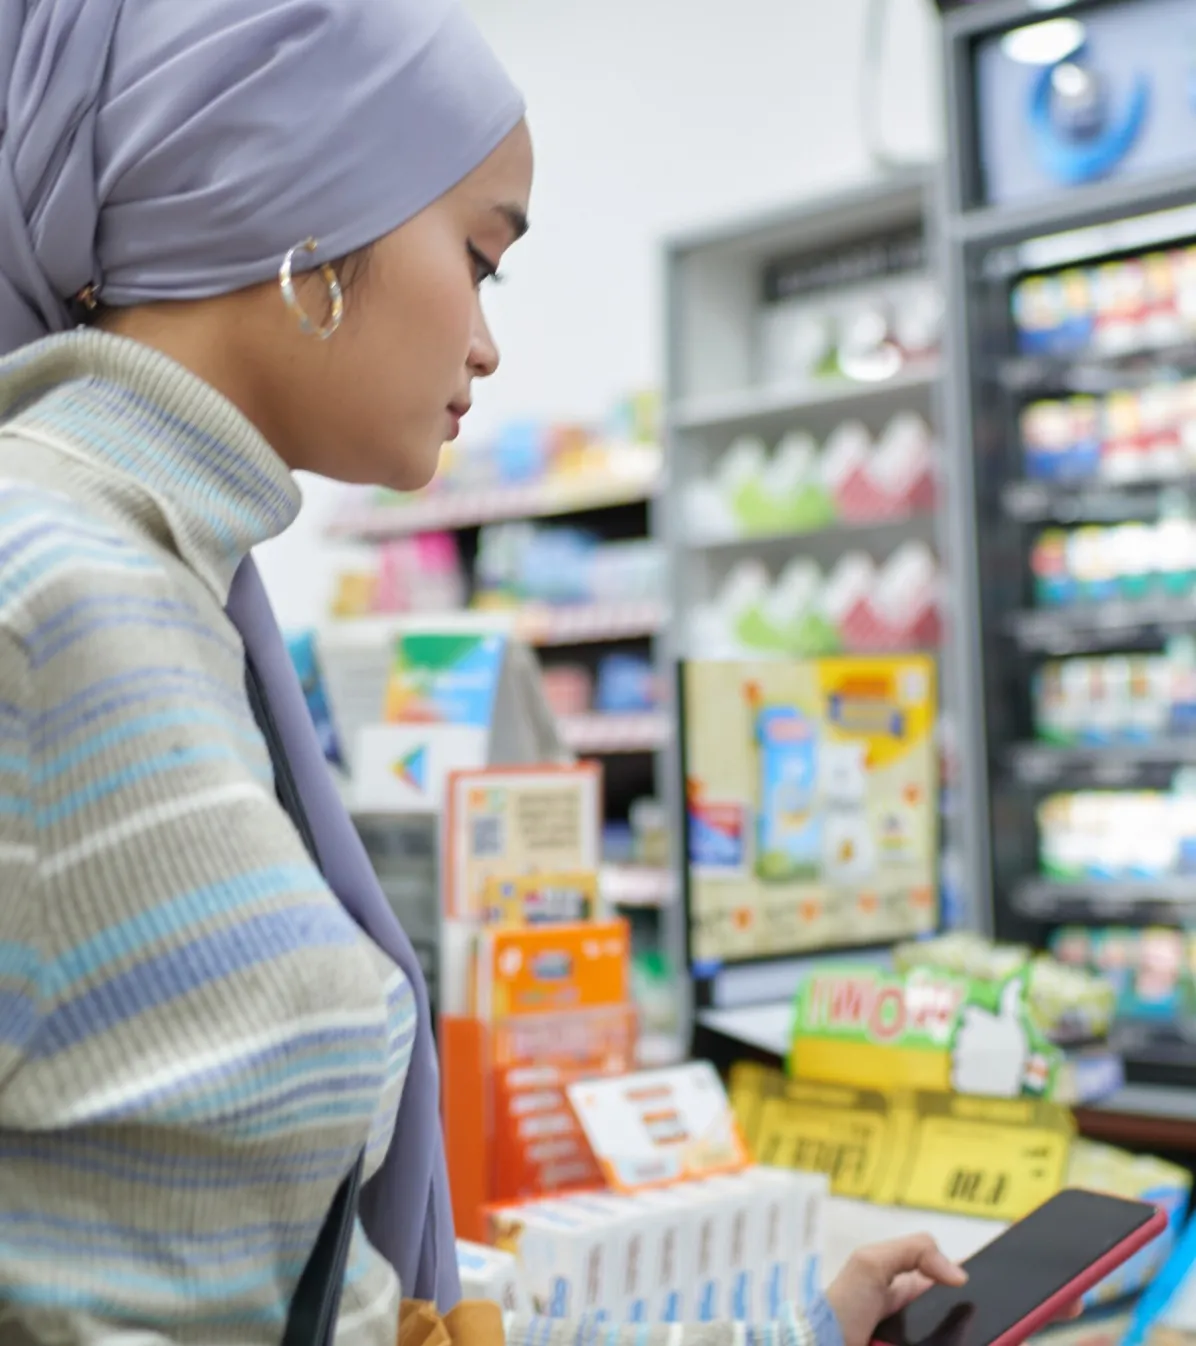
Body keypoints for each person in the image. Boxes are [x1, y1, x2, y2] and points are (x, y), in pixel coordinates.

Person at [0, 3, 1075, 1345]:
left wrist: (786, 1329)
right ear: (312, 220)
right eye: (481, 254)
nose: (490, 342)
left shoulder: (181, 595)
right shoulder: (41, 585)